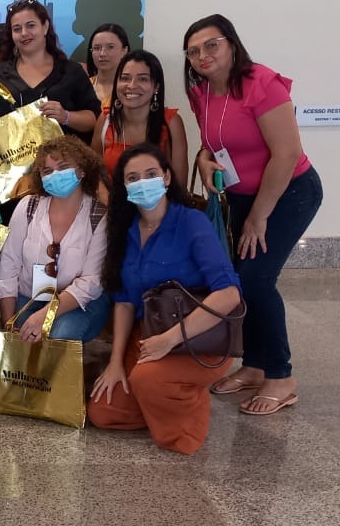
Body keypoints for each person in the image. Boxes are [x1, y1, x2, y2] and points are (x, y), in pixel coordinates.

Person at [185, 14, 323, 415]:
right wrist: (204, 161)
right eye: (193, 51)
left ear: (231, 44)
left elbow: (287, 153)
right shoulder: (202, 93)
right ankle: (256, 366)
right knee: (242, 281)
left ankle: (281, 377)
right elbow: (210, 144)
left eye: (211, 45)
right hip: (241, 198)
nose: (203, 55)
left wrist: (259, 216)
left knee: (257, 280)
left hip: (288, 193)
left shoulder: (262, 84)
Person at [88, 144, 242, 454]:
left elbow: (229, 294)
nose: (142, 183)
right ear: (124, 186)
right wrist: (115, 362)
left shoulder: (191, 223)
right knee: (104, 412)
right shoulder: (125, 231)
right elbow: (124, 302)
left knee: (149, 382)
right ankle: (158, 398)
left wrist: (171, 339)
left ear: (167, 178)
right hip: (148, 334)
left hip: (199, 338)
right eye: (133, 178)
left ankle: (186, 402)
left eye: (150, 174)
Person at [0, 136, 109, 342]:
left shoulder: (99, 215)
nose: (55, 175)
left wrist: (45, 316)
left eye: (63, 167)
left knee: (56, 337)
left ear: (82, 170)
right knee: (21, 336)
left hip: (81, 303)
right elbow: (8, 265)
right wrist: (7, 325)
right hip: (30, 296)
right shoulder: (28, 206)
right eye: (47, 171)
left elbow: (91, 283)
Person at [0, 0, 101, 144]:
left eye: (31, 25)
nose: (24, 33)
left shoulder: (71, 71)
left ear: (45, 26)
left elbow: (94, 119)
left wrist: (66, 116)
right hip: (15, 165)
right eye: (17, 29)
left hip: (63, 163)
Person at [93, 50, 189, 186]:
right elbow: (95, 173)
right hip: (112, 204)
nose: (131, 85)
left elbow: (179, 185)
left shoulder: (171, 122)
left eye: (143, 79)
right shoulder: (105, 120)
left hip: (159, 206)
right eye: (125, 78)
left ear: (156, 86)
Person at [85, 23, 129, 107]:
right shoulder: (83, 86)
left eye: (110, 47)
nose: (102, 53)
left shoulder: (130, 88)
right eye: (97, 48)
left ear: (124, 51)